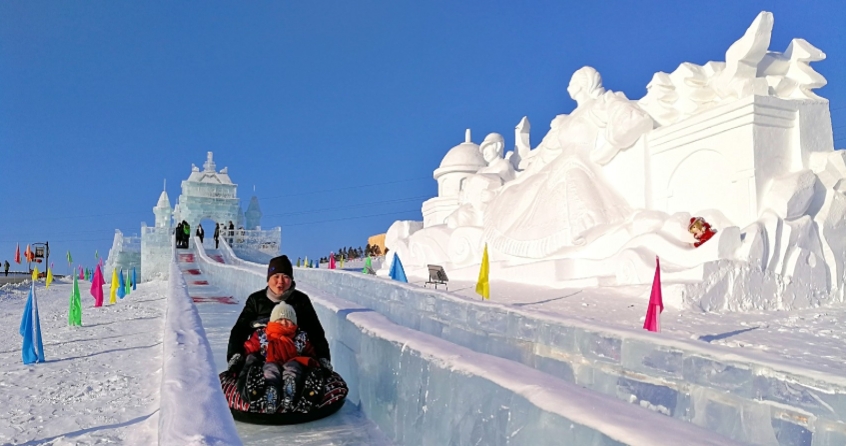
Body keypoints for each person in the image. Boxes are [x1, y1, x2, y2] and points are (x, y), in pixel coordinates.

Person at [227, 255, 332, 372]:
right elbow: (240, 330)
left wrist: (323, 358)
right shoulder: (256, 300)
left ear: (291, 279)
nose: (280, 281)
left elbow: (315, 332)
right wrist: (235, 355)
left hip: (294, 355)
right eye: (276, 276)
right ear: (268, 279)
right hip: (263, 355)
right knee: (252, 362)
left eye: (285, 277)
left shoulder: (301, 300)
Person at [237, 302, 320, 411]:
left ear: (294, 322)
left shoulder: (301, 337)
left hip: (292, 364)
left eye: (288, 320)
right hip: (269, 363)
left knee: (293, 367)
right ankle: (270, 392)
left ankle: (290, 392)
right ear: (272, 321)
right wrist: (239, 359)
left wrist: (317, 363)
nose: (284, 322)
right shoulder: (262, 336)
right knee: (270, 369)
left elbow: (311, 353)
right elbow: (249, 348)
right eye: (279, 320)